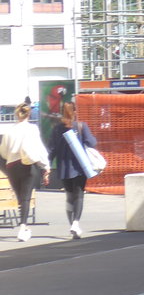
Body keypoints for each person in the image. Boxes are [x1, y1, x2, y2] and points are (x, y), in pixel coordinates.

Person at [0, 103, 51, 241]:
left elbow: (3, 152)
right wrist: (46, 166)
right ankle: (23, 227)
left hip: (12, 166)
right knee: (26, 196)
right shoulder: (32, 129)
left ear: (17, 114)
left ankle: (23, 226)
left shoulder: (9, 131)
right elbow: (38, 148)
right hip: (28, 165)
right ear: (29, 114)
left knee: (20, 198)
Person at [47, 101, 97, 238]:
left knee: (69, 197)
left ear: (62, 112)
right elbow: (92, 142)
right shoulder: (81, 126)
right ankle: (76, 223)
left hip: (64, 168)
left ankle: (72, 225)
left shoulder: (57, 129)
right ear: (75, 111)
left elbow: (51, 150)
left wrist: (47, 168)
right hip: (80, 166)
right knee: (79, 195)